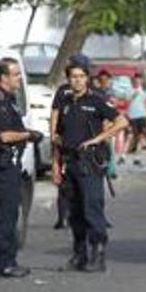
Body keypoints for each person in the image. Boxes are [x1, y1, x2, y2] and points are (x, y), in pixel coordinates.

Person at [52, 56, 128, 273]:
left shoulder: (96, 100)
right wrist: (56, 164)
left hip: (89, 162)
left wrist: (97, 139)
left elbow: (122, 121)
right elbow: (57, 136)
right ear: (68, 79)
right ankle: (79, 254)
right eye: (73, 77)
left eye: (81, 76)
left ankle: (98, 255)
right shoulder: (65, 101)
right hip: (69, 161)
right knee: (74, 212)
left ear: (87, 78)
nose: (77, 81)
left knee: (91, 208)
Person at [0, 58, 41, 278]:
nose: (19, 78)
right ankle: (2, 262)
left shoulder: (9, 100)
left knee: (10, 210)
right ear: (3, 77)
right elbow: (5, 135)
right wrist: (29, 134)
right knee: (4, 212)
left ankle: (8, 259)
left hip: (9, 162)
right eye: (15, 74)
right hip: (2, 161)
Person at [49, 54, 90, 230]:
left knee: (86, 186)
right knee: (64, 182)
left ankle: (86, 216)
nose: (78, 79)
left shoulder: (90, 92)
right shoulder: (63, 92)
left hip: (87, 145)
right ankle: (63, 217)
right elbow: (54, 113)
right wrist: (52, 135)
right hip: (64, 139)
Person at [126, 73, 146, 159]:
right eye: (136, 79)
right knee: (131, 135)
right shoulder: (131, 90)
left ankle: (137, 157)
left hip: (142, 115)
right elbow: (127, 101)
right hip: (132, 116)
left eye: (139, 79)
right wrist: (134, 94)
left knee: (141, 136)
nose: (138, 81)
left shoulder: (144, 92)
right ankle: (123, 156)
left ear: (142, 81)